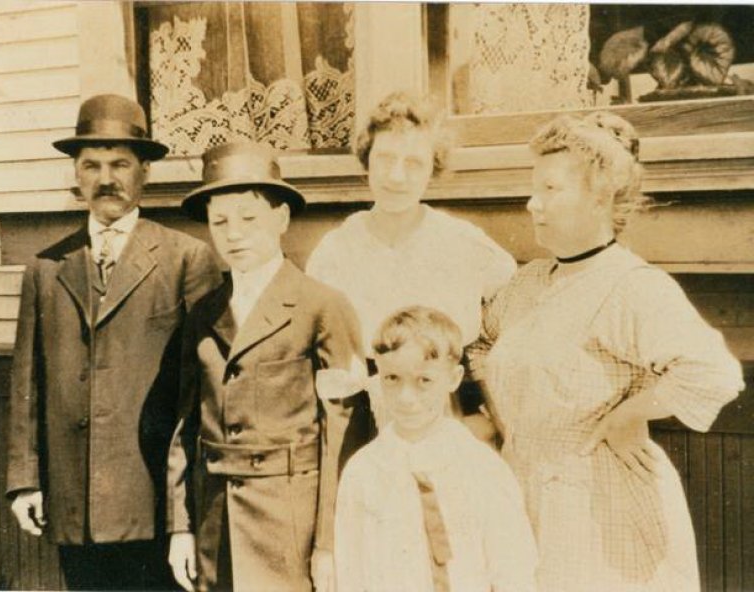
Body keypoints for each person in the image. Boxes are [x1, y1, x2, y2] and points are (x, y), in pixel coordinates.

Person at [467, 111, 745, 591]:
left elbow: (714, 373)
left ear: (601, 194)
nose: (533, 204)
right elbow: (483, 342)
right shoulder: (529, 281)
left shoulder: (630, 286)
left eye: (551, 190)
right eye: (534, 189)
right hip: (523, 491)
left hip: (596, 511)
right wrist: (496, 415)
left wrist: (630, 414)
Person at [6, 94, 221, 590]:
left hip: (152, 502)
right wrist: (24, 480)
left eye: (121, 163)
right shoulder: (46, 267)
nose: (107, 178)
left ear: (145, 171)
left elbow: (200, 395)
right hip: (72, 499)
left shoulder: (186, 259)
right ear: (77, 176)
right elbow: (26, 382)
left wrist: (184, 513)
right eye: (92, 165)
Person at [168, 142, 365, 592]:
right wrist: (181, 525)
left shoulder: (321, 305)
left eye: (248, 218)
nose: (233, 233)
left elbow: (343, 436)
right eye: (220, 221)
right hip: (216, 523)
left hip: (289, 527)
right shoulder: (203, 312)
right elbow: (186, 426)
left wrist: (329, 542)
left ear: (281, 219)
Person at [306, 91, 516, 436]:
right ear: (366, 161)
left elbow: (510, 330)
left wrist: (487, 418)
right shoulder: (336, 250)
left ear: (433, 168)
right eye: (385, 159)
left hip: (450, 420)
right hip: (363, 426)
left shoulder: (464, 245)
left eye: (414, 163)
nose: (397, 177)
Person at [335, 306, 537, 592]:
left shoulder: (482, 469)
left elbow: (514, 570)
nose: (406, 398)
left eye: (424, 381)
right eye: (392, 378)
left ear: (453, 379)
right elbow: (351, 572)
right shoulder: (363, 472)